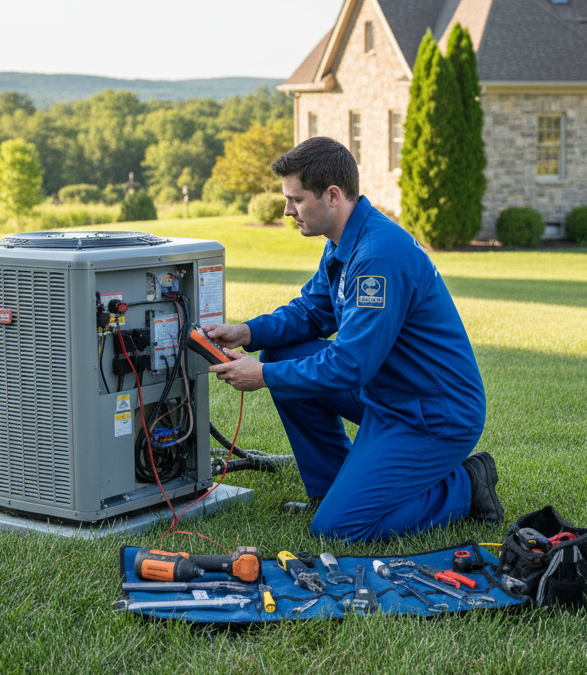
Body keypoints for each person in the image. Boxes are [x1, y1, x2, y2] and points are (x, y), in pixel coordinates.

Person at [205, 137, 502, 542]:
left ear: (332, 195)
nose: (287, 210)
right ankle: (328, 489)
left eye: (296, 199)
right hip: (389, 394)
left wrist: (264, 376)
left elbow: (351, 364)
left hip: (432, 415)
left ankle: (466, 484)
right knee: (281, 349)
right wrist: (249, 332)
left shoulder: (377, 257)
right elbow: (311, 312)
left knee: (339, 528)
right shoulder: (345, 242)